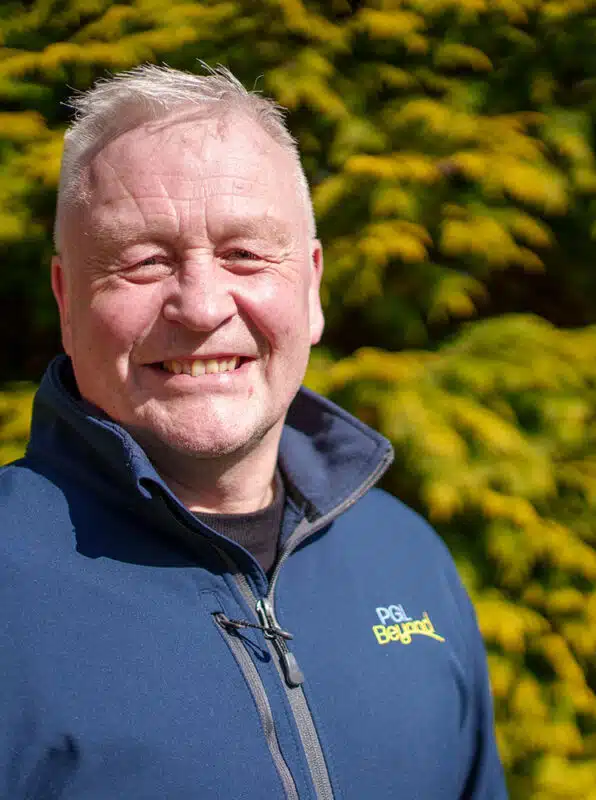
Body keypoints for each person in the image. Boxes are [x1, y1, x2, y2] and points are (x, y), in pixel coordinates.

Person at [0, 64, 507, 799]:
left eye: (244, 253)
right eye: (143, 260)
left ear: (310, 285)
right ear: (66, 301)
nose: (202, 306)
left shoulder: (408, 562)